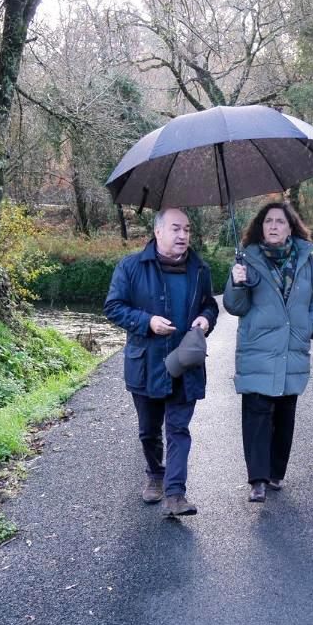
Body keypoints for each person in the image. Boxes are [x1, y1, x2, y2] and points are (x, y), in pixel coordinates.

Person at [104, 208, 219, 518]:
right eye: (176, 229)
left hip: (186, 362)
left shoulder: (200, 269)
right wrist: (147, 321)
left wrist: (205, 320)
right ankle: (156, 474)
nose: (183, 235)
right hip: (147, 364)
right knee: (149, 430)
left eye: (187, 229)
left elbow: (210, 305)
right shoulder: (131, 267)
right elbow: (113, 307)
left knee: (178, 428)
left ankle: (175, 493)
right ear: (158, 232)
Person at [224, 201, 313, 503]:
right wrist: (236, 282)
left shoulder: (306, 260)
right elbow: (235, 306)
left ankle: (275, 473)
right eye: (268, 221)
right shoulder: (248, 259)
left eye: (279, 221)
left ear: (290, 227)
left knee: (284, 413)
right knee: (256, 412)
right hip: (257, 346)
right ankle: (257, 479)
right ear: (260, 226)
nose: (273, 226)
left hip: (293, 345)